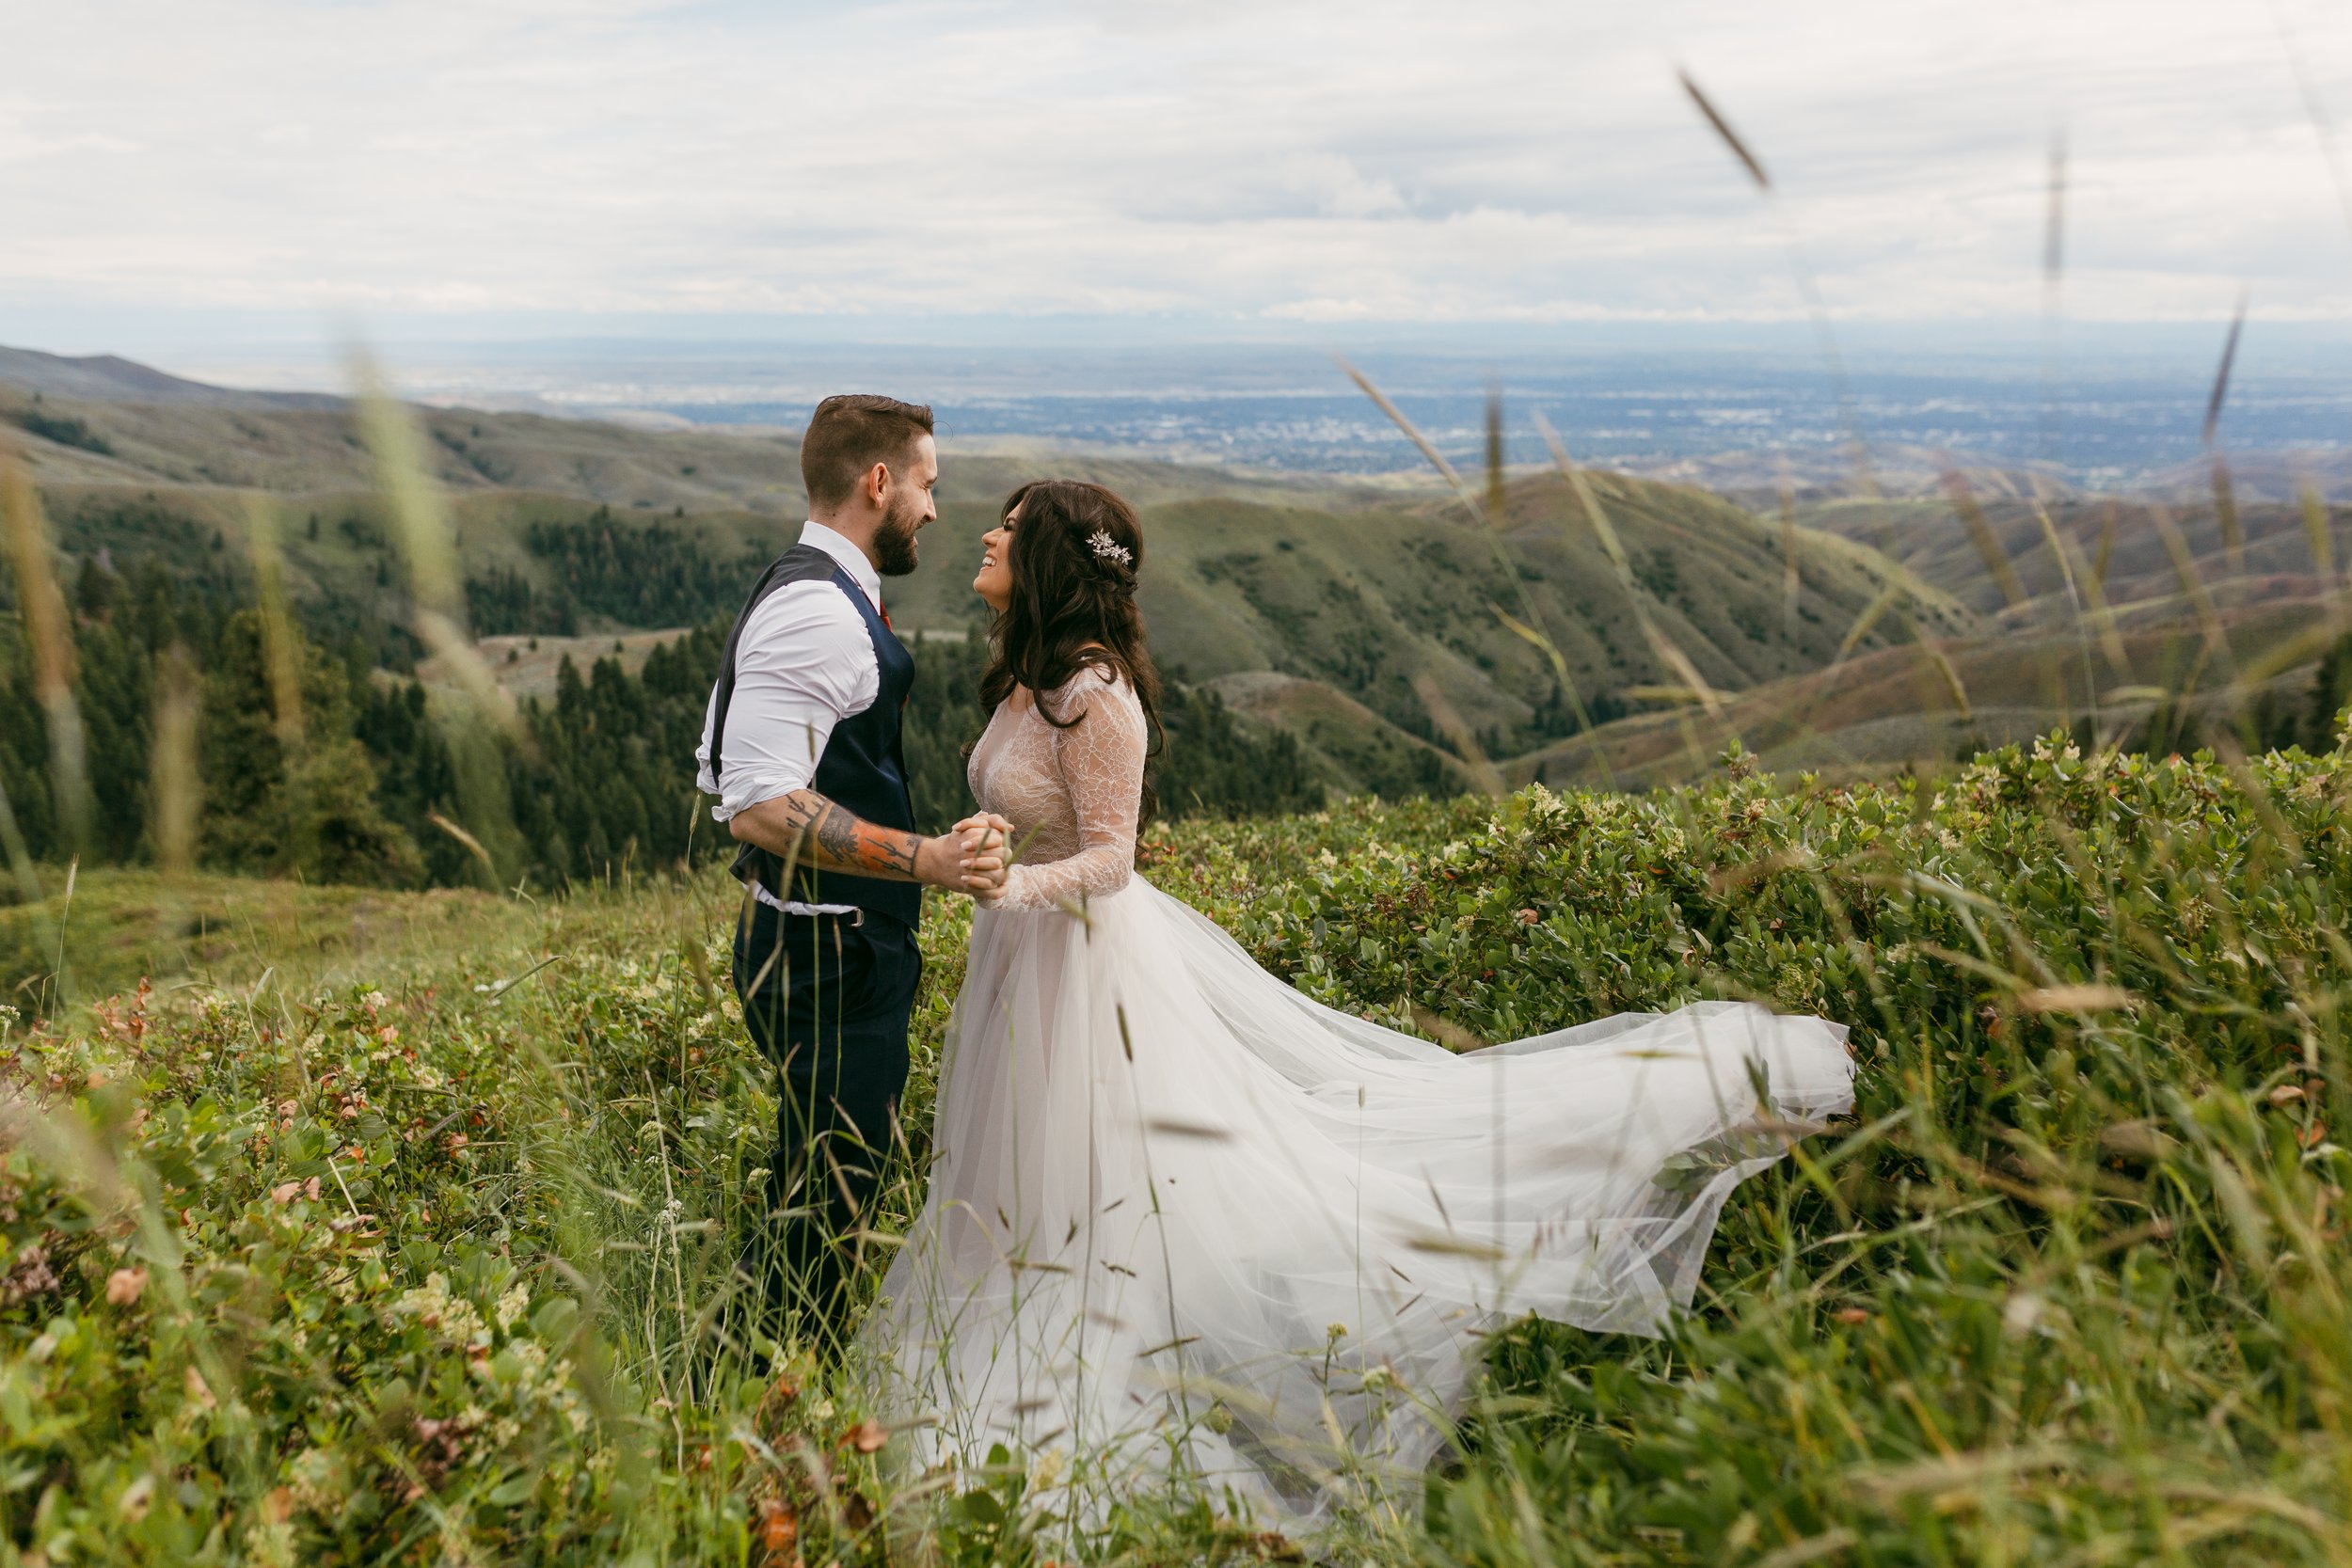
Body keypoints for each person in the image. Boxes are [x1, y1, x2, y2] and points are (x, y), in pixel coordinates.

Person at [859, 480, 1858, 1529]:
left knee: (1088, 1193)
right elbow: (1030, 812)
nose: (985, 531)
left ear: (1052, 557)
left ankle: (1078, 1391)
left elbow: (1110, 859)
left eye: (1011, 527)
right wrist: (985, 855)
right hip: (1022, 956)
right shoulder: (1028, 683)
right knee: (1009, 1184)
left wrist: (1008, 883)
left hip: (1085, 967)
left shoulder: (1098, 695)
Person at [695, 393, 1005, 1347]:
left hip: (825, 942)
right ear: (879, 481)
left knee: (824, 1181)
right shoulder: (816, 614)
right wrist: (930, 860)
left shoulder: (812, 592)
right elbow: (757, 801)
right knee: (826, 1205)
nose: (935, 509)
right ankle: (743, 1397)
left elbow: (726, 757)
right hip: (826, 954)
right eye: (926, 484)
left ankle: (764, 1393)